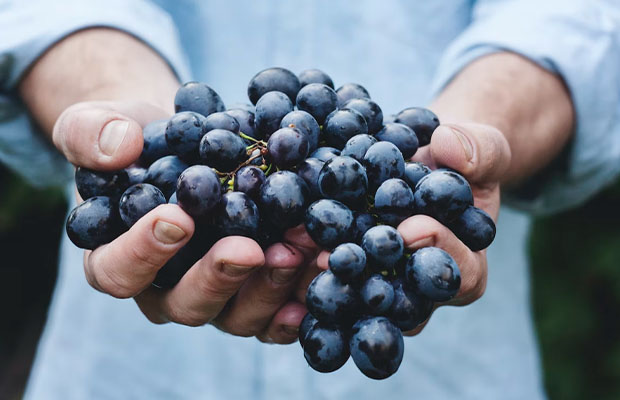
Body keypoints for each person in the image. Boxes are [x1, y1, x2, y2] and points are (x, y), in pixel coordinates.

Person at [1, 0, 619, 398]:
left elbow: (575, 17)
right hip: (130, 372)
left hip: (450, 363)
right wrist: (111, 97)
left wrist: (478, 127)